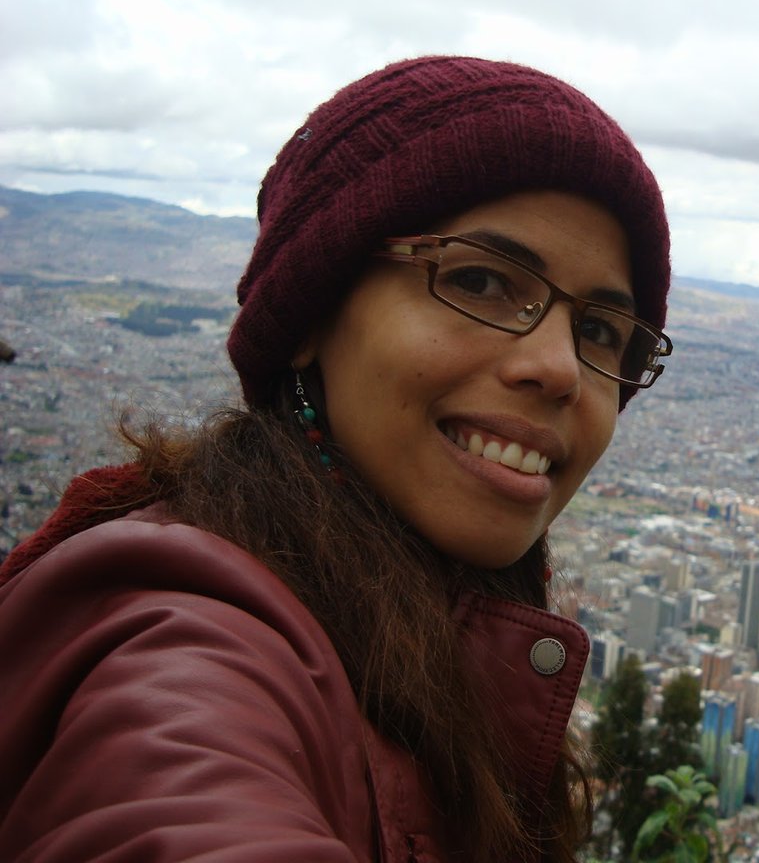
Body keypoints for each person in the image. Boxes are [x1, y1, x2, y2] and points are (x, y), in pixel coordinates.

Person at [0, 56, 672, 862]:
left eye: (601, 331)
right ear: (314, 311)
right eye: (484, 281)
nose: (560, 367)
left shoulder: (432, 651)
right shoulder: (189, 636)